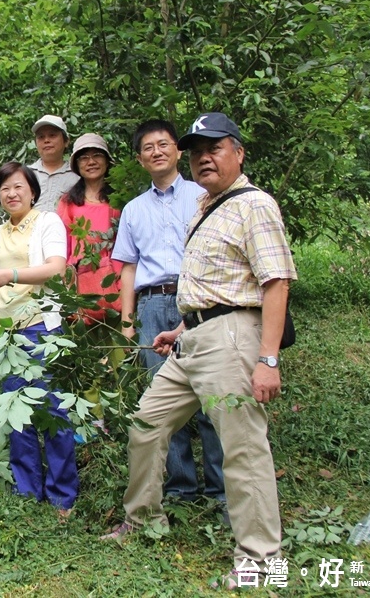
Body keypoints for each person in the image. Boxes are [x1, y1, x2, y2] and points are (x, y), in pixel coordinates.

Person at [103, 113, 297, 590]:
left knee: (243, 447)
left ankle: (258, 557)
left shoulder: (254, 205)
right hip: (193, 337)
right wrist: (182, 329)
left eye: (214, 148)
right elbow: (212, 284)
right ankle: (144, 518)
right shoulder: (207, 206)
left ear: (238, 153)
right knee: (147, 423)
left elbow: (275, 283)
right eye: (197, 151)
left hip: (234, 338)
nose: (203, 157)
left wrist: (268, 358)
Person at [111, 120, 225, 506]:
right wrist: (128, 322)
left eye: (164, 144)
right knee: (162, 399)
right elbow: (128, 267)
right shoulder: (133, 209)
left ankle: (221, 490)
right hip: (153, 304)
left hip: (199, 300)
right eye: (148, 147)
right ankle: (180, 488)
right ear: (140, 159)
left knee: (211, 398)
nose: (157, 151)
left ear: (178, 151)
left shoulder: (204, 194)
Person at [0, 162, 76, 521]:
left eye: (18, 187)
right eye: (4, 189)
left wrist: (10, 275)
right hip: (8, 336)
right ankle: (27, 490)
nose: (12, 194)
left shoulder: (47, 222)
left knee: (52, 412)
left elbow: (56, 267)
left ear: (32, 190)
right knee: (17, 414)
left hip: (42, 328)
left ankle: (62, 495)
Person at [56, 133, 122, 325]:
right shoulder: (68, 203)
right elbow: (65, 248)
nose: (91, 162)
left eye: (97, 156)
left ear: (107, 160)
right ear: (76, 164)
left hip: (116, 282)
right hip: (81, 282)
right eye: (84, 157)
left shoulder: (120, 198)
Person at [28, 114, 79, 212]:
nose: (46, 140)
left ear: (66, 141)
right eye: (41, 137)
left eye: (52, 135)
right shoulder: (26, 174)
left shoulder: (77, 175)